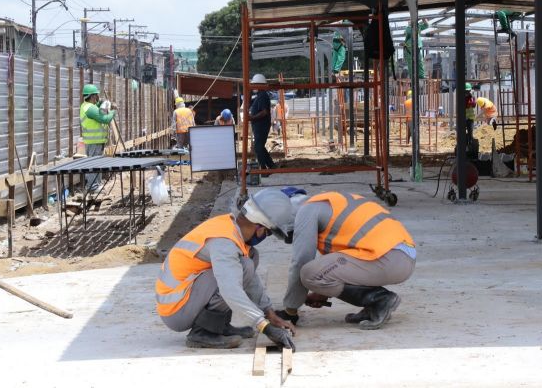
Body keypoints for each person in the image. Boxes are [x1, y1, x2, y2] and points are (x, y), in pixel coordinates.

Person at [155, 190, 296, 350]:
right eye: (268, 232)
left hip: (185, 298)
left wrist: (270, 314)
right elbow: (231, 291)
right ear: (259, 226)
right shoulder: (224, 243)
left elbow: (251, 282)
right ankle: (202, 333)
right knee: (240, 269)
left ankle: (219, 326)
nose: (265, 236)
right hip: (176, 309)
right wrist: (264, 326)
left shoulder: (231, 228)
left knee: (248, 260)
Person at [258, 190, 416, 330]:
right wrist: (323, 291)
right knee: (316, 273)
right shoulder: (327, 204)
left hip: (389, 257)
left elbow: (301, 261)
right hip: (399, 256)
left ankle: (381, 299)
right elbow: (341, 261)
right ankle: (374, 304)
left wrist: (290, 311)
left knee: (308, 273)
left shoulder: (306, 211)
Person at [79, 84, 116, 191]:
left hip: (97, 141)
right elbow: (104, 118)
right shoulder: (89, 108)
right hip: (93, 141)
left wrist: (104, 103)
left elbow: (100, 108)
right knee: (93, 164)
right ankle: (92, 186)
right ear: (92, 96)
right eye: (96, 95)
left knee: (97, 163)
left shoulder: (89, 106)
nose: (98, 97)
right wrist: (113, 112)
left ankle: (96, 185)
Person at [248, 74, 276, 171]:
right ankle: (271, 165)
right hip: (259, 126)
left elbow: (265, 112)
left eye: (254, 84)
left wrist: (252, 118)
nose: (253, 86)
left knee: (258, 147)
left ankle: (263, 168)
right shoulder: (259, 96)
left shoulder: (263, 96)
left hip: (261, 126)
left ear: (259, 85)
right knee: (259, 147)